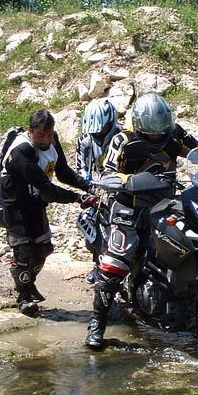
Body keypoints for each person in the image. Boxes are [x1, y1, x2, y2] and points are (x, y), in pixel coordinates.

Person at [85, 92, 198, 349]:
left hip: (167, 206)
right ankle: (96, 326)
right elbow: (106, 174)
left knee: (192, 247)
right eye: (152, 132)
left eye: (162, 131)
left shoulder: (176, 135)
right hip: (128, 210)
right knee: (115, 263)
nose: (158, 137)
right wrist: (129, 182)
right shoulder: (123, 141)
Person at [0, 109, 98, 316]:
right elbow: (46, 187)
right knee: (23, 250)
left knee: (43, 248)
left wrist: (89, 187)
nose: (46, 140)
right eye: (41, 135)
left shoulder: (51, 141)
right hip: (13, 204)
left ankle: (28, 283)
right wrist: (78, 198)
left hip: (35, 202)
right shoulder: (20, 151)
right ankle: (23, 297)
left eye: (50, 135)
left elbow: (62, 172)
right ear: (30, 131)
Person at [74, 98, 124, 283]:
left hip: (124, 187)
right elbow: (82, 171)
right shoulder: (86, 141)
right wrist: (91, 191)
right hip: (100, 188)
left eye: (102, 130)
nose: (99, 135)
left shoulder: (124, 136)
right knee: (88, 223)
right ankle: (98, 263)